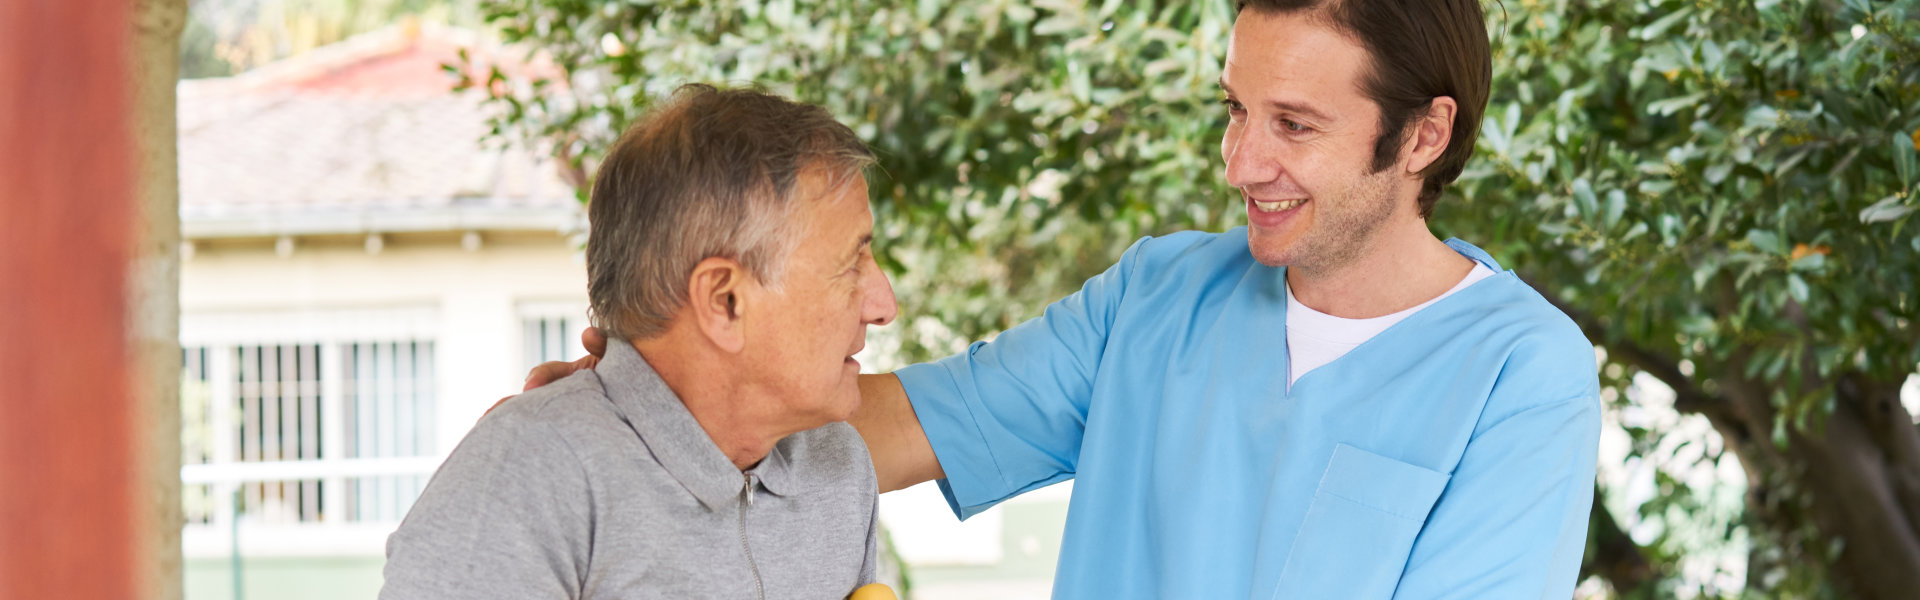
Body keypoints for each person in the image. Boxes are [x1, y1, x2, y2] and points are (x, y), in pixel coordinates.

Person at [530, 1, 1601, 598]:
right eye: (1235, 111)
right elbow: (889, 428)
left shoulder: (1520, 373)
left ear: (1422, 135)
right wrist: (658, 398)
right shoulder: (1161, 294)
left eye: (1295, 126)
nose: (1241, 162)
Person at [382, 84, 900, 599]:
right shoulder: (524, 474)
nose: (884, 306)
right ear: (724, 302)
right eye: (851, 263)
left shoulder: (837, 466)